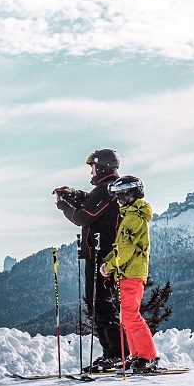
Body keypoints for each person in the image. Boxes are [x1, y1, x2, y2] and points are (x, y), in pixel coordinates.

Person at [53, 148, 125, 372]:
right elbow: (90, 202)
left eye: (92, 166)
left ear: (101, 166)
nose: (91, 171)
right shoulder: (107, 189)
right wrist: (74, 193)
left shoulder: (106, 189)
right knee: (97, 304)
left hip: (102, 257)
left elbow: (83, 216)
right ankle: (113, 353)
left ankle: (116, 354)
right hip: (98, 255)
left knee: (102, 304)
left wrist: (64, 205)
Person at [100, 175, 159, 374]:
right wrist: (107, 261)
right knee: (127, 317)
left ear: (131, 194)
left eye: (121, 196)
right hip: (126, 273)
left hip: (132, 273)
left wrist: (108, 266)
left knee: (131, 316)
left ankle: (147, 357)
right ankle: (138, 356)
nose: (118, 200)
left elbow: (125, 250)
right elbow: (119, 248)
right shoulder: (129, 216)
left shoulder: (133, 218)